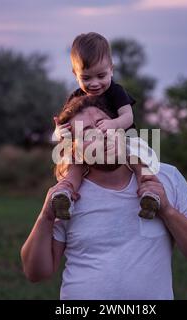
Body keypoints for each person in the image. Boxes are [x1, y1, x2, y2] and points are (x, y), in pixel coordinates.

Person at [21, 95, 187, 300]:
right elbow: (36, 273)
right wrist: (45, 217)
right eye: (87, 132)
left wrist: (167, 211)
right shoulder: (66, 197)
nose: (101, 134)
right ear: (74, 149)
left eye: (102, 123)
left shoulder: (165, 177)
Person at [51, 32, 160, 220]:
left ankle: (149, 191)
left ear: (111, 69)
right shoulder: (76, 98)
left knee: (137, 159)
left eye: (101, 75)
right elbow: (63, 125)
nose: (94, 84)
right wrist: (59, 132)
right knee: (75, 163)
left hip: (123, 139)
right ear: (75, 74)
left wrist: (113, 124)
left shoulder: (116, 92)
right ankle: (65, 194)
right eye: (86, 78)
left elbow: (127, 116)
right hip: (90, 146)